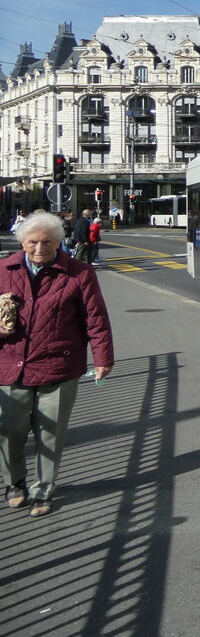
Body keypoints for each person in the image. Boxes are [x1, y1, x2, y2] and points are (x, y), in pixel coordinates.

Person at [0, 210, 115, 517]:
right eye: (33, 242)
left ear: (58, 243)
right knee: (9, 430)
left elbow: (96, 318)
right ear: (22, 242)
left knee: (50, 433)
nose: (40, 248)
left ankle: (43, 490)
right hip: (12, 364)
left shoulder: (78, 273)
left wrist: (102, 358)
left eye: (47, 242)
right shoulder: (3, 269)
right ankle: (14, 483)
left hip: (59, 365)